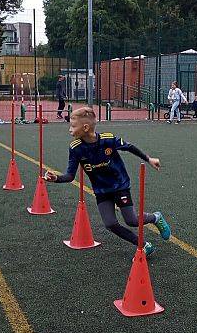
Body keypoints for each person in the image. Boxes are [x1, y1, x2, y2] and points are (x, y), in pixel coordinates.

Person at [44, 107, 171, 257]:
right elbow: (70, 176)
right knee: (110, 224)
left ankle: (156, 217)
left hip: (119, 185)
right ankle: (143, 245)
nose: (69, 130)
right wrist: (56, 178)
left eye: (73, 126)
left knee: (132, 220)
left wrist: (149, 159)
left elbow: (129, 147)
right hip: (101, 190)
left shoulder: (107, 139)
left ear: (85, 127)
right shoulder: (75, 148)